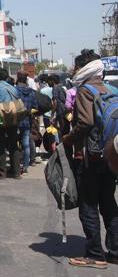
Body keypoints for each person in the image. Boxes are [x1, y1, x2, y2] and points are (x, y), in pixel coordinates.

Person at [64, 49, 118, 269]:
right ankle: (115, 251)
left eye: (76, 67)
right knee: (108, 202)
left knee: (88, 203)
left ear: (83, 68)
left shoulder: (86, 91)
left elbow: (85, 123)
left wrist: (69, 137)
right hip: (111, 155)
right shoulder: (111, 89)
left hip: (91, 156)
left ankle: (95, 254)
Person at [0, 68, 23, 179]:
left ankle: (2, 172)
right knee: (14, 145)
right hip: (13, 119)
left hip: (1, 118)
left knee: (1, 144)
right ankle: (16, 172)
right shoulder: (13, 88)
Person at [16, 71, 38, 175]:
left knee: (14, 144)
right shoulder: (32, 93)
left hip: (14, 121)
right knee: (26, 144)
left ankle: (15, 166)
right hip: (26, 121)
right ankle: (25, 166)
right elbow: (35, 108)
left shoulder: (14, 91)